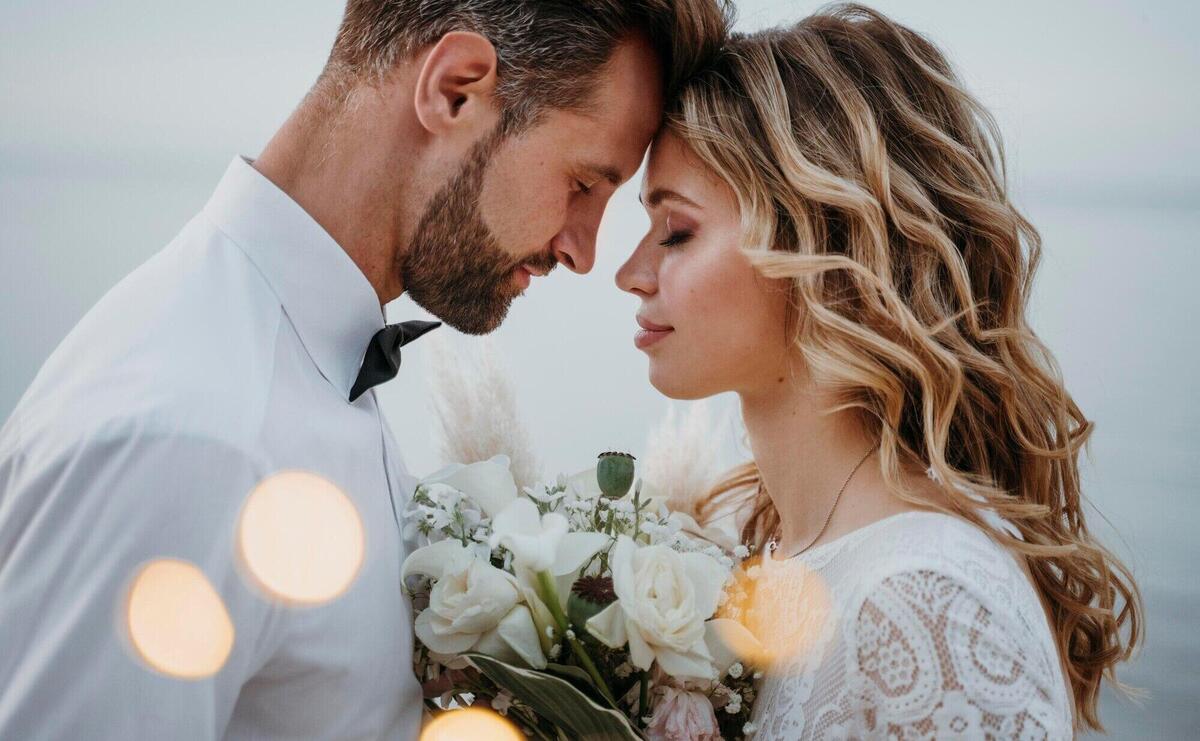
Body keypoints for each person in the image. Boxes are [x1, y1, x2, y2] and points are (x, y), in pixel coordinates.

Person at [0, 1, 728, 738]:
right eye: (583, 183)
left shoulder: (298, 368)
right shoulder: (188, 437)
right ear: (455, 88)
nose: (582, 251)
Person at [617, 4, 1142, 738]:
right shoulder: (738, 542)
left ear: (828, 250)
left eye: (676, 231)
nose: (629, 273)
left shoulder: (926, 601)